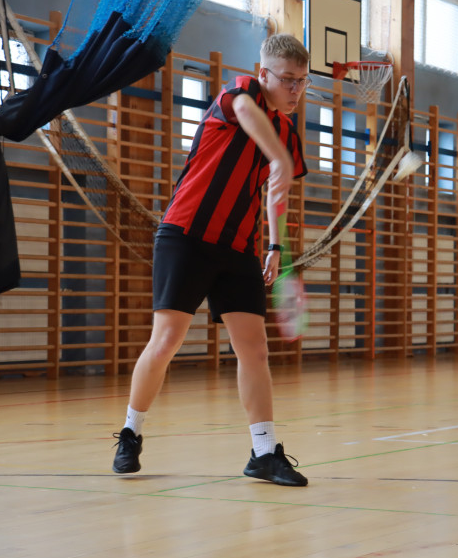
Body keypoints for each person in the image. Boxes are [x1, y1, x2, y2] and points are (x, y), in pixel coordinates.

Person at [111, 34, 311, 486]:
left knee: (254, 349)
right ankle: (130, 432)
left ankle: (263, 452)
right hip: (185, 236)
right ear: (264, 75)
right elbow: (245, 115)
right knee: (166, 341)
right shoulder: (238, 94)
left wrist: (276, 245)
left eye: (302, 81)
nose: (296, 89)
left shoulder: (287, 133)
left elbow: (275, 195)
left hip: (238, 246)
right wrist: (276, 157)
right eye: (287, 80)